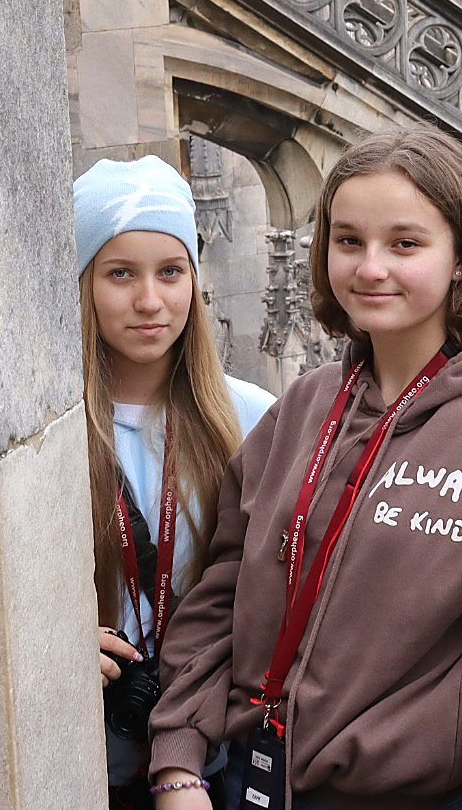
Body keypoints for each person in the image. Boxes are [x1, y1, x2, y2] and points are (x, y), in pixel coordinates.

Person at [148, 126, 462, 810]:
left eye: (405, 244)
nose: (370, 268)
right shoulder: (302, 407)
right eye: (349, 240)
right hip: (249, 781)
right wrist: (178, 762)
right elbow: (223, 591)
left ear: (461, 259)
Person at [75, 155, 276, 809]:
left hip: (214, 767)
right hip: (79, 764)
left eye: (170, 271)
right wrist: (53, 640)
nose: (150, 301)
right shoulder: (50, 433)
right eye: (120, 273)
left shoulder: (253, 418)